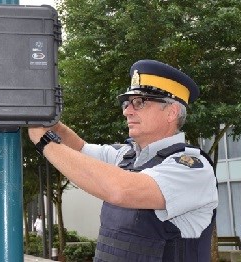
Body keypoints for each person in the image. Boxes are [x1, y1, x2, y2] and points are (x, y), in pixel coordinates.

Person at [28, 59, 218, 262]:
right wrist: (50, 122)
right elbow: (79, 150)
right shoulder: (126, 156)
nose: (127, 111)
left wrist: (45, 142)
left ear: (171, 112)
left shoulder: (192, 168)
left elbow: (120, 190)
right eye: (127, 103)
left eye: (139, 102)